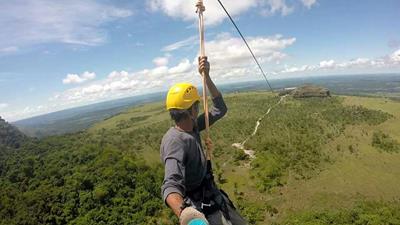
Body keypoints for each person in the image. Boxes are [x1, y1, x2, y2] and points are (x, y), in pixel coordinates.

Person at [160, 56, 247, 225]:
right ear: (193, 110)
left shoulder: (192, 127)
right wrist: (186, 214)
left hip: (211, 192)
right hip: (199, 205)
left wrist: (206, 76)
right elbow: (170, 185)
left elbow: (220, 109)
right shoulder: (175, 142)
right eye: (197, 106)